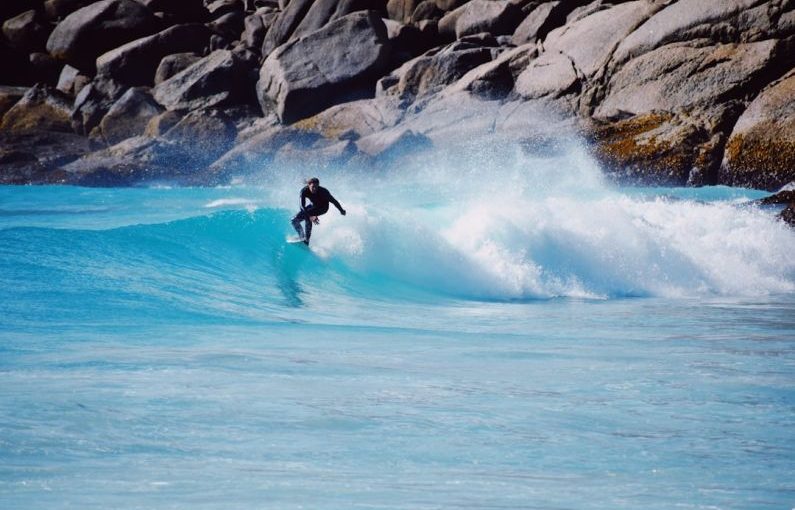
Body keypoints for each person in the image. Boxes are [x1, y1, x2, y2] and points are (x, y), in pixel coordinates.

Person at [291, 177, 346, 245]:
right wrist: (310, 215)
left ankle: (307, 240)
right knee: (294, 220)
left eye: (316, 187)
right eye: (313, 187)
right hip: (313, 206)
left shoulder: (323, 192)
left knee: (308, 216)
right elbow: (302, 206)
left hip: (323, 208)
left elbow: (334, 201)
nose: (315, 189)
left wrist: (341, 210)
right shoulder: (304, 191)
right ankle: (301, 236)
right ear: (309, 185)